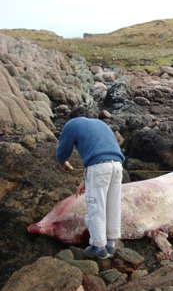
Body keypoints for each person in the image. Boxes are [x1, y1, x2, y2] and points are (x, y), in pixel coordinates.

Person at [56, 106, 125, 259]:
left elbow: (63, 151)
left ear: (72, 118)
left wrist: (62, 162)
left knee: (96, 206)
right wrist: (85, 180)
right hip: (117, 165)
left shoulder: (72, 124)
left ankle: (98, 246)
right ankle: (111, 244)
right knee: (112, 205)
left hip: (99, 167)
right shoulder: (101, 124)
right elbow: (101, 152)